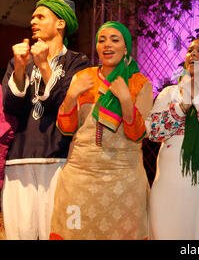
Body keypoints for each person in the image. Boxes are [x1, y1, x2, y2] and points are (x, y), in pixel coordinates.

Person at [49, 21, 153, 240]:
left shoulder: (139, 84)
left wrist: (125, 99)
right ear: (96, 47)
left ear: (126, 48)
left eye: (115, 40)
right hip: (79, 178)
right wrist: (71, 96)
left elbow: (138, 135)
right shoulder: (82, 78)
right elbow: (66, 129)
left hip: (124, 180)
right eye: (101, 40)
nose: (107, 45)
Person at [1, 0, 90, 240]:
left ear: (60, 23)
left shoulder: (78, 63)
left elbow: (63, 105)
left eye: (40, 16)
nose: (32, 21)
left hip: (59, 161)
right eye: (32, 16)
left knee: (57, 232)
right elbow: (10, 107)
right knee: (20, 234)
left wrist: (42, 66)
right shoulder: (19, 59)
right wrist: (20, 69)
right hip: (18, 160)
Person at [146, 37, 199, 239]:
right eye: (190, 50)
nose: (193, 53)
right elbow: (153, 132)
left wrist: (198, 97)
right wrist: (183, 104)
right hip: (170, 186)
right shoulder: (169, 93)